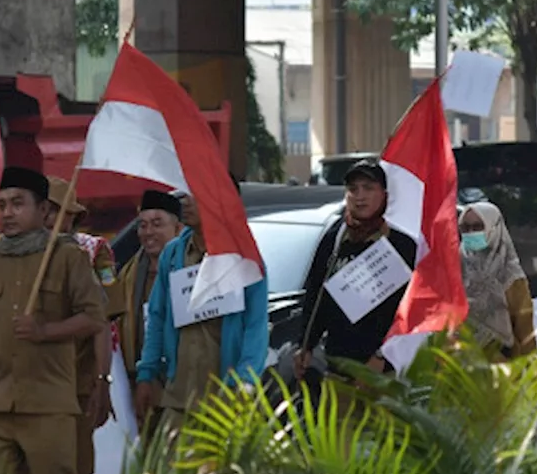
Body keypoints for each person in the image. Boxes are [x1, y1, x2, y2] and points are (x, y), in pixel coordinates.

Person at [0, 166, 107, 474]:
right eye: (3, 204)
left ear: (43, 211)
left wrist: (45, 331)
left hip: (48, 404)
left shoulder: (69, 258)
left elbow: (94, 318)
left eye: (18, 204)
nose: (8, 212)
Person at [134, 185, 269, 437]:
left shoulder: (245, 257)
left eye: (196, 192)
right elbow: (157, 316)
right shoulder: (172, 254)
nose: (185, 201)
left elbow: (256, 326)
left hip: (227, 399)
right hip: (178, 397)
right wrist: (147, 372)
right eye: (185, 193)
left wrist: (245, 381)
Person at [294, 158, 418, 381]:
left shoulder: (402, 245)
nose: (360, 196)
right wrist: (306, 344)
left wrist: (383, 356)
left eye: (368, 188)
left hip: (384, 371)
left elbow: (412, 309)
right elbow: (316, 295)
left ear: (384, 194)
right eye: (353, 189)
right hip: (337, 365)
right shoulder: (335, 239)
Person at [45, 176, 118, 474]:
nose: (49, 220)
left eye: (55, 212)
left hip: (79, 375)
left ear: (72, 216)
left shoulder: (95, 252)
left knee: (75, 470)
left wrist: (103, 379)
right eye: (44, 211)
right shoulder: (20, 253)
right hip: (35, 381)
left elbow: (104, 319)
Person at [119, 191, 182, 398]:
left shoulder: (193, 271)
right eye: (143, 225)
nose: (148, 232)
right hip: (141, 384)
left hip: (183, 381)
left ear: (178, 228)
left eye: (157, 224)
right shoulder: (128, 276)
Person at [457, 202, 535, 358]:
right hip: (462, 365)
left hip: (502, 365)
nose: (471, 233)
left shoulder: (510, 276)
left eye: (478, 227)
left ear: (494, 227)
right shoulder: (456, 267)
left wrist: (533, 375)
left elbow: (524, 329)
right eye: (465, 228)